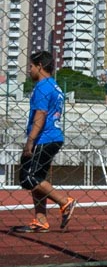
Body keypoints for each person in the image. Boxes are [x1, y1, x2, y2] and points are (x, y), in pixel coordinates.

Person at [14, 51, 75, 233]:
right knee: (37, 179)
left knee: (28, 178)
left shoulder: (42, 87)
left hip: (44, 138)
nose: (29, 70)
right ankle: (41, 220)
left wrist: (29, 142)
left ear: (40, 65)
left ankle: (65, 202)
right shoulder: (54, 86)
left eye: (31, 66)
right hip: (52, 137)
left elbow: (40, 116)